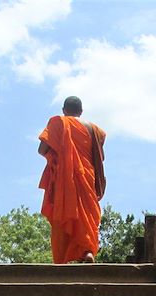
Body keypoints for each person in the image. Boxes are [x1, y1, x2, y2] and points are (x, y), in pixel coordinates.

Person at [38, 96, 106, 264]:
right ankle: (87, 250)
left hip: (65, 179)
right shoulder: (95, 130)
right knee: (86, 214)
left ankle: (61, 259)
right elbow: (99, 155)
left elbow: (42, 149)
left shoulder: (58, 123)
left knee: (63, 212)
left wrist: (58, 154)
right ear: (81, 112)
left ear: (64, 110)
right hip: (87, 177)